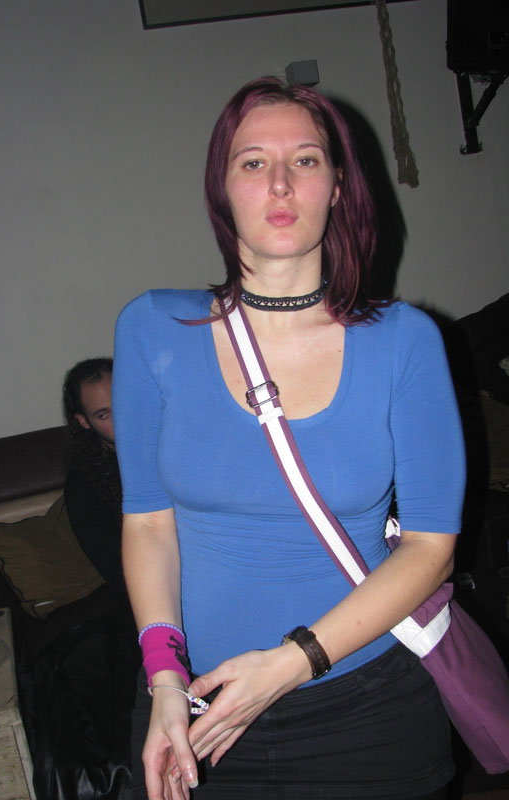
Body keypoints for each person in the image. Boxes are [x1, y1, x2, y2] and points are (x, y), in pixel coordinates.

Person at [112, 77, 465, 800]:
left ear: (337, 187)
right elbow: (147, 523)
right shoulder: (151, 329)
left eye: (305, 160)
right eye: (253, 162)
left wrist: (290, 663)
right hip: (197, 712)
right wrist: (165, 680)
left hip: (367, 710)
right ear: (223, 190)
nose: (279, 182)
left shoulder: (406, 342)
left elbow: (431, 548)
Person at [62, 357, 124, 588]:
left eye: (123, 402)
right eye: (103, 415)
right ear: (84, 421)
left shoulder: (174, 443)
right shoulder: (82, 488)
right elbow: (118, 574)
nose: (121, 420)